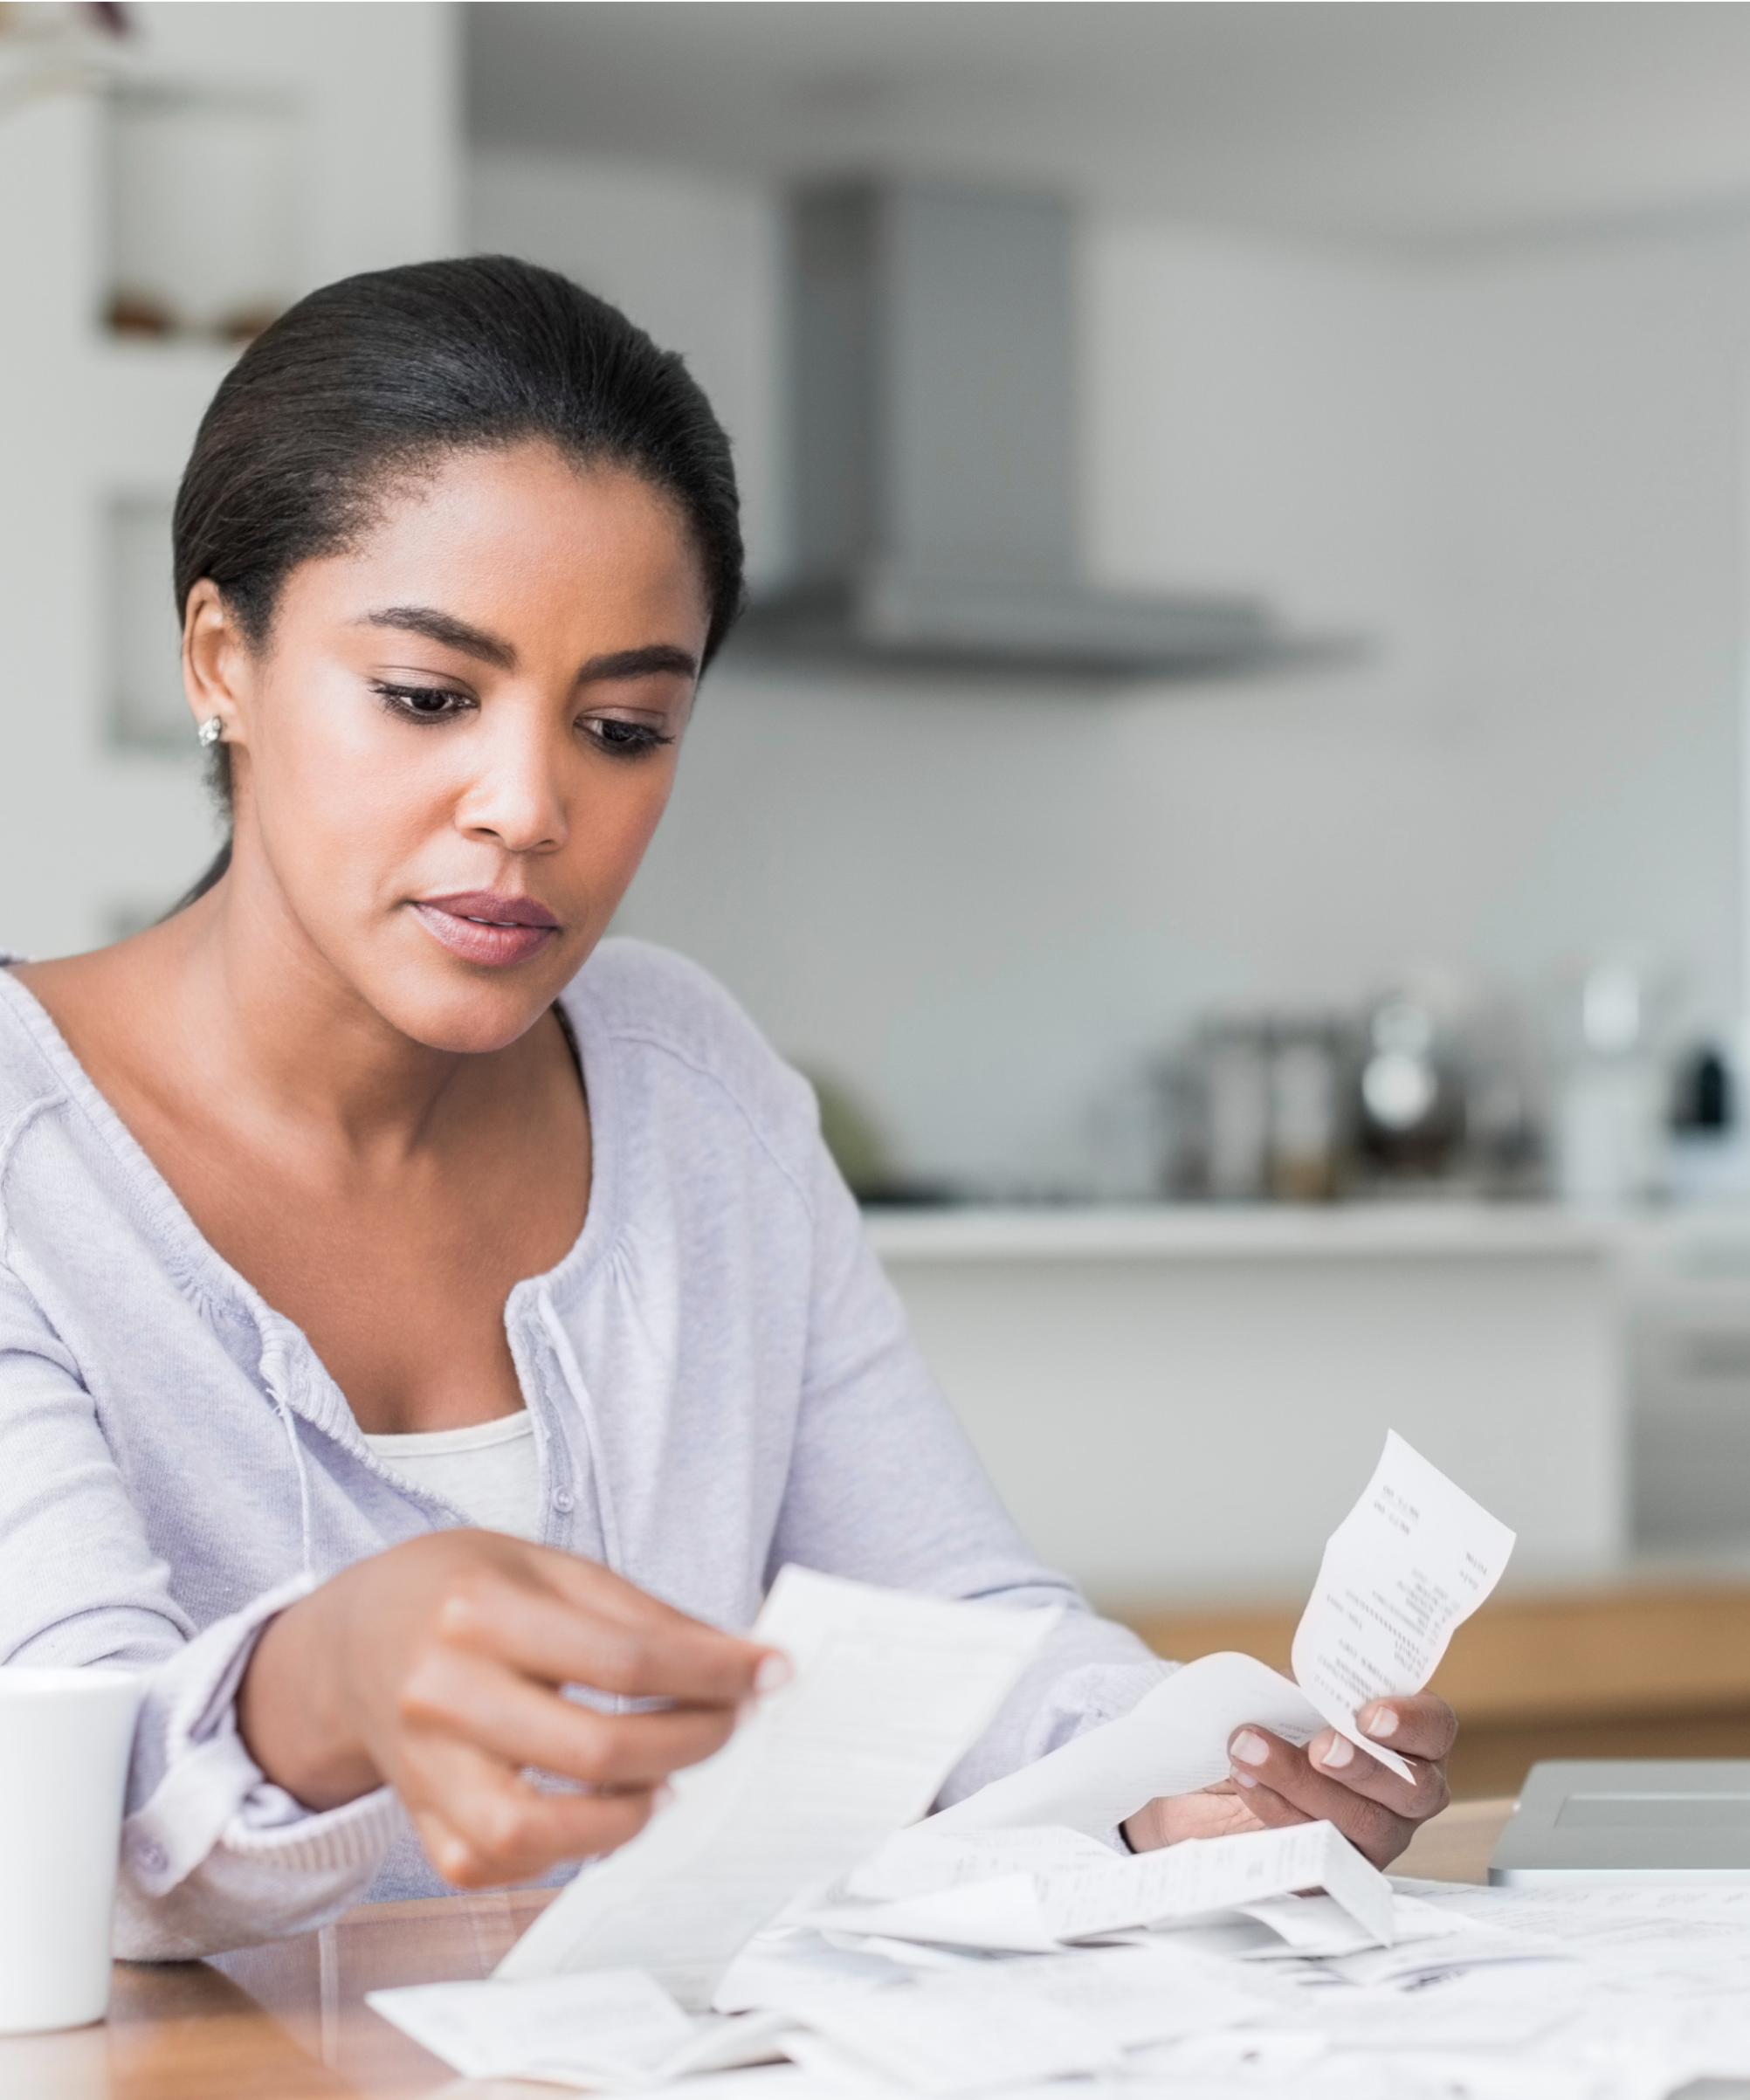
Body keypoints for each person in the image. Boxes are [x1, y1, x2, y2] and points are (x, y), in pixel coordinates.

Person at [0, 258, 1456, 1960]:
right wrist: (316, 1682)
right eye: (425, 696)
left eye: (625, 725)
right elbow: (51, 1832)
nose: (529, 804)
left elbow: (963, 1624)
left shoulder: (693, 1085)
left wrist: (1178, 1781)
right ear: (219, 654)